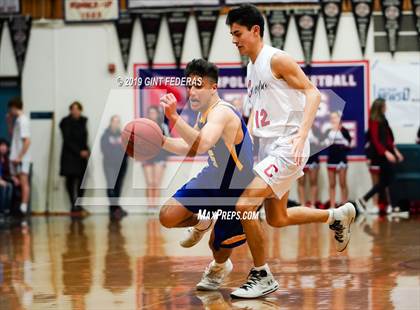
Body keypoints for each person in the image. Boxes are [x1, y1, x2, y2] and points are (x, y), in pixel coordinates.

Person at [224, 4, 356, 298]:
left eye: (237, 33)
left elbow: (313, 92)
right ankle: (336, 215)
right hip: (269, 147)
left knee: (245, 205)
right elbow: (260, 113)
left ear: (255, 30)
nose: (234, 40)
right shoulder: (251, 67)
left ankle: (262, 275)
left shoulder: (277, 59)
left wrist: (302, 134)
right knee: (277, 218)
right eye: (232, 34)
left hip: (288, 146)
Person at [158, 58, 255, 291]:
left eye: (198, 86)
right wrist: (159, 141)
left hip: (236, 186)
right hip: (213, 176)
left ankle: (219, 267)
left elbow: (202, 144)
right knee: (167, 216)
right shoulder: (204, 113)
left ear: (213, 87)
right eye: (189, 86)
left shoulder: (221, 112)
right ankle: (204, 218)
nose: (192, 91)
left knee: (218, 245)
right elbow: (190, 146)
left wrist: (173, 118)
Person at [356, 98, 404, 214]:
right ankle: (392, 206)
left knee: (385, 181)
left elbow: (388, 138)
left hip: (385, 153)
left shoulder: (384, 119)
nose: (386, 107)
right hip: (379, 155)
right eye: (385, 105)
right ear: (380, 107)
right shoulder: (374, 120)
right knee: (390, 178)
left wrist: (395, 151)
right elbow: (375, 140)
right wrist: (386, 153)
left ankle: (363, 200)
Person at [59, 101, 90, 215]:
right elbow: (67, 140)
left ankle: (79, 205)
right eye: (73, 109)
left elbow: (84, 138)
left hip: (82, 156)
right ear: (70, 110)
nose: (75, 111)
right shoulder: (65, 122)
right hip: (70, 156)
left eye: (77, 109)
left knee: (82, 180)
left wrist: (87, 151)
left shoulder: (83, 121)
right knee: (70, 181)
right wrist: (79, 151)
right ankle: (73, 205)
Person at [7, 98, 31, 216]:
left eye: (10, 108)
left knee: (24, 182)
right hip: (17, 156)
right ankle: (19, 206)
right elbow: (12, 135)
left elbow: (27, 141)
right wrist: (9, 122)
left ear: (14, 107)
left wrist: (20, 157)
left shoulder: (23, 120)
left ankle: (23, 207)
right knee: (18, 182)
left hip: (22, 158)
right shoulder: (17, 120)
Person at [101, 115, 128, 219]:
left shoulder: (123, 135)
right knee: (111, 185)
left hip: (121, 164)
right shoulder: (105, 135)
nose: (116, 123)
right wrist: (114, 158)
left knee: (118, 186)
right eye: (114, 121)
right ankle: (114, 208)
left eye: (118, 122)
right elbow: (104, 149)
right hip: (110, 165)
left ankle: (115, 207)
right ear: (110, 122)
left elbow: (127, 149)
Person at [142, 106, 169, 209]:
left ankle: (155, 207)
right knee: (150, 183)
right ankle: (150, 207)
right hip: (147, 157)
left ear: (157, 114)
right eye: (150, 113)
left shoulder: (163, 127)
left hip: (160, 157)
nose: (152, 115)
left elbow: (168, 142)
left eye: (154, 113)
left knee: (156, 183)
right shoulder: (143, 126)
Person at [325, 112, 352, 208]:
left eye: (335, 117)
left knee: (342, 183)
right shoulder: (328, 131)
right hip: (331, 159)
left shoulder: (344, 131)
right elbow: (323, 143)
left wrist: (345, 143)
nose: (333, 119)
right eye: (331, 118)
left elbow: (349, 145)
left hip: (341, 159)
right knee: (332, 184)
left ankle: (344, 204)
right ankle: (332, 205)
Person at [297, 127, 323, 208]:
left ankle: (313, 204)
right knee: (301, 182)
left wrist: (315, 140)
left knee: (313, 181)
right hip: (301, 158)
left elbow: (321, 143)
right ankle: (302, 204)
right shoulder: (298, 128)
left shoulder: (316, 130)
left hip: (313, 158)